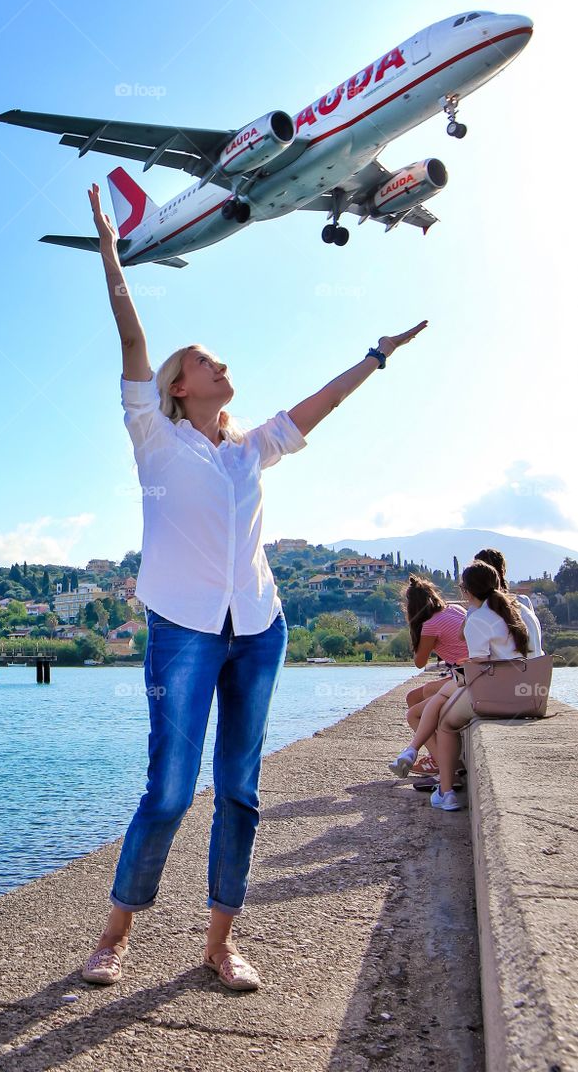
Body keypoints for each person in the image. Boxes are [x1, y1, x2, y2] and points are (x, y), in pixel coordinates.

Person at [80, 180, 428, 991]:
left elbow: (317, 406)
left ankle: (218, 943)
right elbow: (129, 333)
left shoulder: (248, 451)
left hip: (258, 629)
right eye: (204, 361)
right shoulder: (153, 438)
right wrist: (107, 248)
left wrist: (374, 356)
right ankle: (114, 936)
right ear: (176, 386)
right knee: (167, 791)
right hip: (181, 631)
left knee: (239, 789)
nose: (219, 365)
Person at [427, 559, 543, 810]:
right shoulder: (514, 610)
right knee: (443, 699)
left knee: (445, 723)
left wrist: (461, 673)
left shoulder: (477, 618)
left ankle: (446, 793)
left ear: (466, 591)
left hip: (499, 694)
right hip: (527, 691)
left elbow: (480, 666)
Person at [399, 575, 467, 774]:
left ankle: (441, 761)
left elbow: (419, 662)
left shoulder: (430, 625)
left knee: (425, 694)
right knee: (413, 697)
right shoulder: (454, 608)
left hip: (466, 676)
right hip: (470, 671)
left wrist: (415, 629)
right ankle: (437, 751)